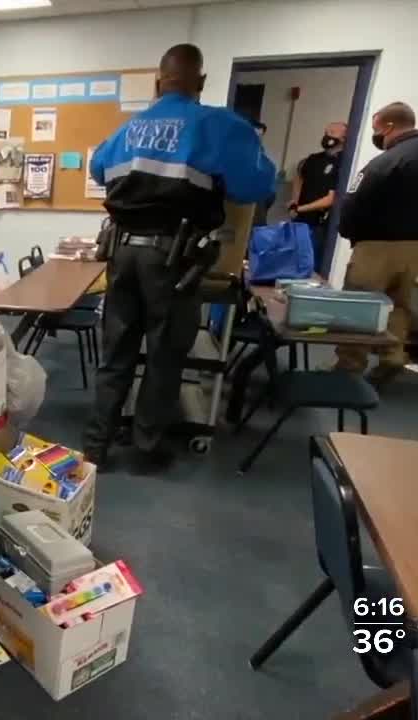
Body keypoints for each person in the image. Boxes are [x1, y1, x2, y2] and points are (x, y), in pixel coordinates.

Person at [83, 43, 276, 469]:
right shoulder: (219, 125)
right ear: (201, 82)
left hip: (122, 256)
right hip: (172, 262)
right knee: (165, 357)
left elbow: (98, 169)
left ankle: (95, 447)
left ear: (158, 82)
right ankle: (145, 449)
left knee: (115, 355)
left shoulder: (126, 131)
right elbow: (257, 186)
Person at [335, 102, 418, 387]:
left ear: (389, 126)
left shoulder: (386, 161)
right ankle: (393, 357)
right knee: (399, 305)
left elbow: (355, 203)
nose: (377, 135)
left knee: (359, 305)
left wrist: (348, 232)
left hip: (377, 246)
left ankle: (349, 366)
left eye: (377, 129)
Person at [289, 121, 349, 270]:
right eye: (326, 132)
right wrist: (295, 202)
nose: (327, 136)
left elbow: (332, 198)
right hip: (300, 219)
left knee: (311, 266)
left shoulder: (345, 163)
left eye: (333, 133)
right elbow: (299, 177)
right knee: (292, 261)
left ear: (344, 138)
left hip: (320, 224)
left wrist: (302, 208)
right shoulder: (313, 159)